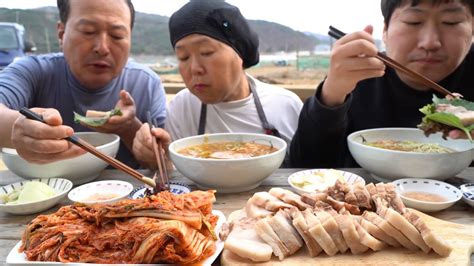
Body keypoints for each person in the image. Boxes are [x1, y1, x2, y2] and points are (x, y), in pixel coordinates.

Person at [290, 0, 474, 168]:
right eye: (413, 21)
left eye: (451, 21)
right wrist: (331, 95)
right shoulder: (359, 77)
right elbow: (304, 167)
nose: (430, 42)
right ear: (385, 30)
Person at [133, 0, 303, 170]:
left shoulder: (286, 105)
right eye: (183, 57)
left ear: (240, 53)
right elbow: (178, 180)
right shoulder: (182, 107)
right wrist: (160, 160)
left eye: (206, 52)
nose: (194, 69)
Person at [0, 0, 167, 168]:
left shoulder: (146, 83)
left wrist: (128, 127)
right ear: (61, 33)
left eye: (117, 35)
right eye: (88, 32)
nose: (102, 48)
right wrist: (18, 128)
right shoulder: (32, 70)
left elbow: (162, 164)